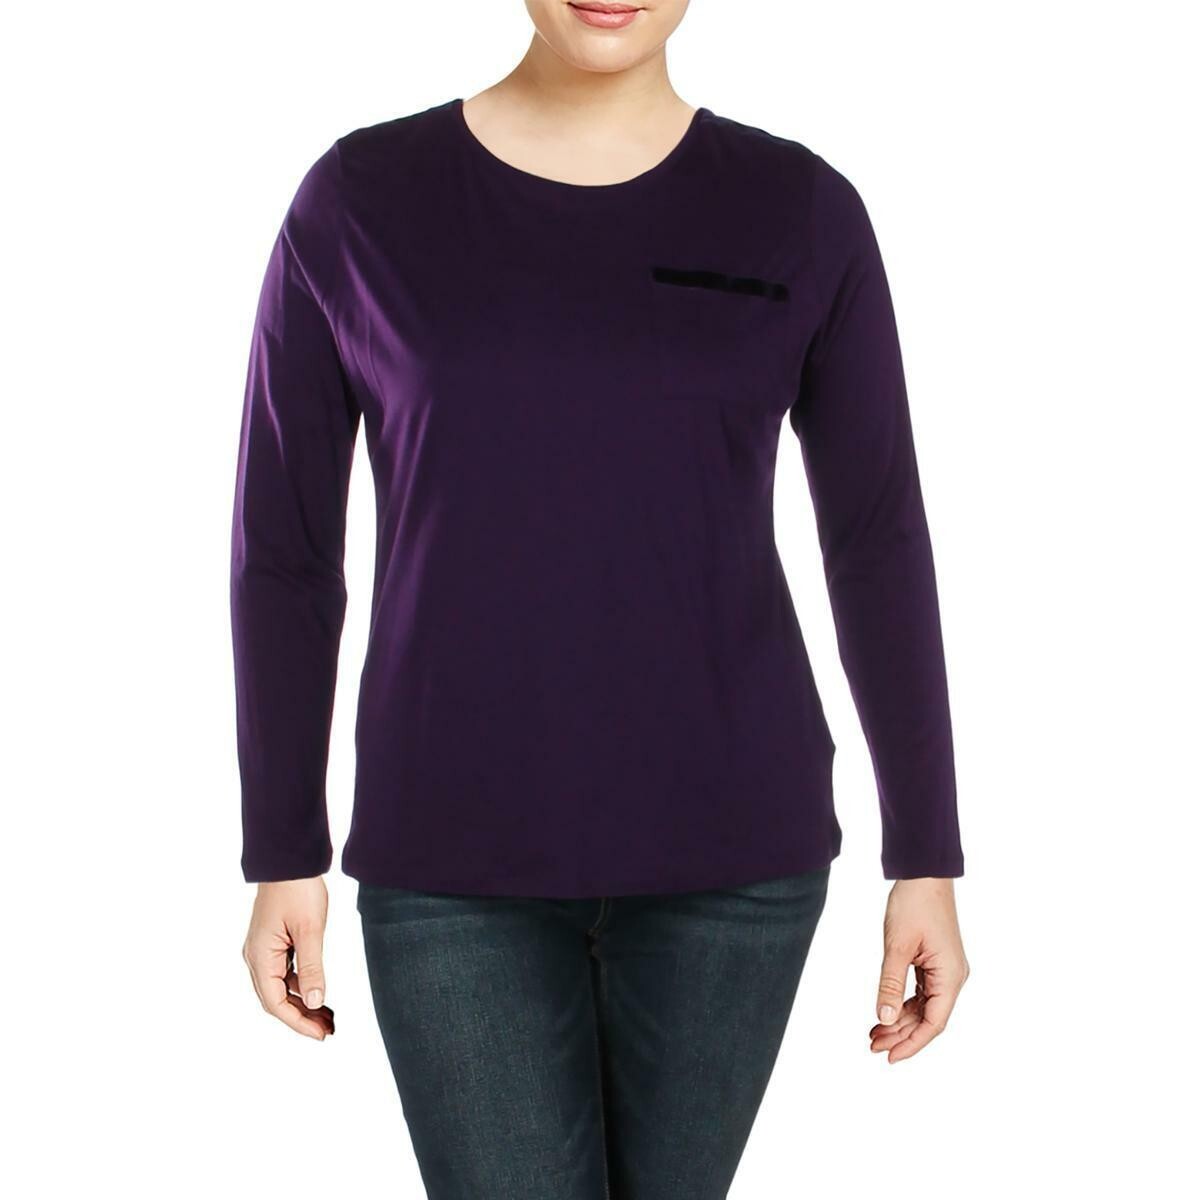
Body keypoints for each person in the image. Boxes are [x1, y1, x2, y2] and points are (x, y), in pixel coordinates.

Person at [232, 1, 970, 1196]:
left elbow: (876, 537)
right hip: (450, 858)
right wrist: (283, 846)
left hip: (736, 857)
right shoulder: (361, 202)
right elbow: (285, 551)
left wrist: (924, 853)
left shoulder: (800, 209)